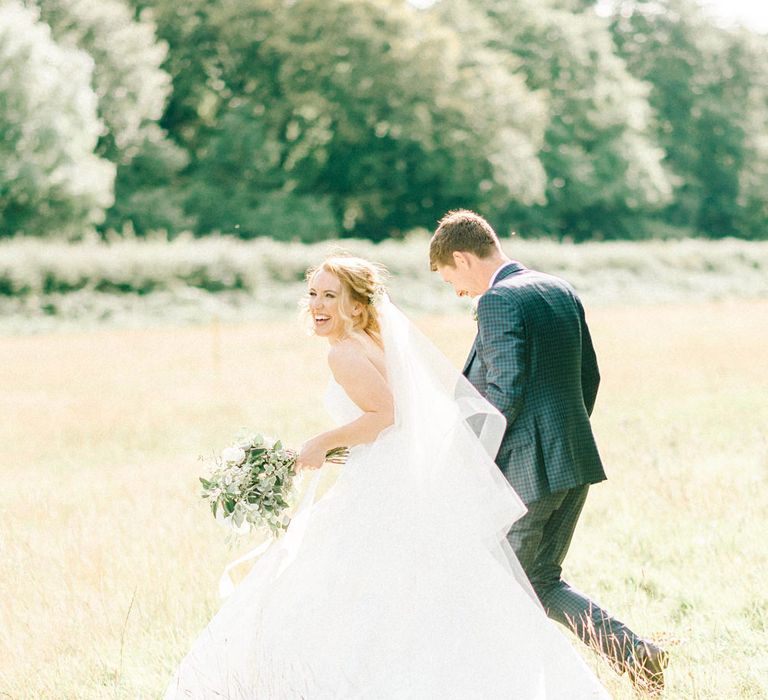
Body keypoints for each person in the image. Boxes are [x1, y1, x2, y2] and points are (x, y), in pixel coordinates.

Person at [163, 255, 611, 699]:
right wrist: (345, 444)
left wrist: (320, 443)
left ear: (357, 305)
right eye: (314, 294)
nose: (318, 305)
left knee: (339, 583)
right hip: (392, 474)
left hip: (380, 487)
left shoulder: (343, 352)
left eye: (330, 296)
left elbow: (386, 414)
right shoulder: (374, 341)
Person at [430, 209, 669, 694]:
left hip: (526, 471)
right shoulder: (559, 288)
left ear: (461, 257)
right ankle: (636, 653)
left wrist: (468, 458)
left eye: (452, 279)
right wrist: (566, 434)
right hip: (573, 460)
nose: (457, 292)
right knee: (539, 580)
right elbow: (590, 377)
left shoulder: (497, 300)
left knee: (498, 590)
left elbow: (503, 390)